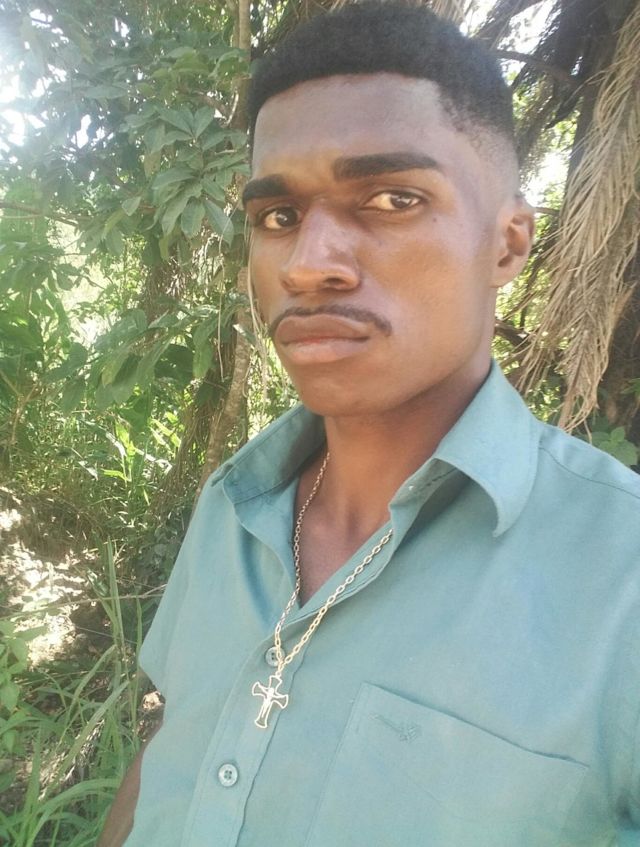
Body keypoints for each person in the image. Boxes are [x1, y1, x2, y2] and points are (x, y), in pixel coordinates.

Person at [99, 3, 640, 845]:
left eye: (391, 198)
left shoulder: (620, 578)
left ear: (507, 245)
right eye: (277, 217)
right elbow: (174, 740)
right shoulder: (233, 504)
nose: (307, 263)